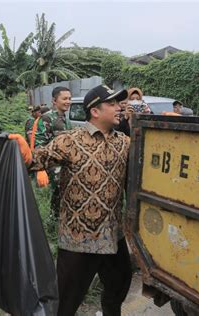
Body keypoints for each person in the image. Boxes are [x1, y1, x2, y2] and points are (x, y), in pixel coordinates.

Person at [28, 84, 132, 316]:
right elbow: (37, 159)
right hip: (78, 238)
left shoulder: (124, 143)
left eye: (119, 103)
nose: (119, 108)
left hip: (112, 235)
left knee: (120, 285)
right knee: (66, 301)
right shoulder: (70, 140)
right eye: (112, 104)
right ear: (95, 111)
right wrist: (20, 151)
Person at [39, 87, 73, 217]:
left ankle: (61, 217)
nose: (68, 101)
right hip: (54, 164)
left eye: (69, 98)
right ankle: (54, 218)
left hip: (66, 163)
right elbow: (40, 143)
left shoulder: (65, 118)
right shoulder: (47, 118)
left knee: (65, 190)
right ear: (54, 100)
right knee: (59, 190)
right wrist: (42, 168)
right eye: (64, 98)